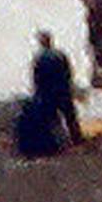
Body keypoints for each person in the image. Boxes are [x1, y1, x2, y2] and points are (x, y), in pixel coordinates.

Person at [18, 29, 80, 158]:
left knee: (50, 119)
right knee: (70, 116)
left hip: (48, 93)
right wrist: (69, 87)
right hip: (63, 90)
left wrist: (37, 92)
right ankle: (77, 139)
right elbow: (69, 73)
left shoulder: (40, 58)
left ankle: (57, 144)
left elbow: (37, 78)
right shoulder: (60, 55)